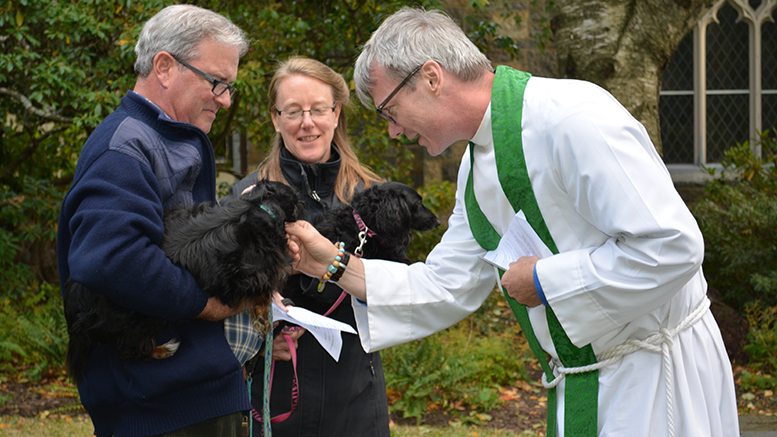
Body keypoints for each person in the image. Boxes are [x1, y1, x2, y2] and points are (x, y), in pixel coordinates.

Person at [284, 7, 739, 437]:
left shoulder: (572, 117)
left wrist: (544, 279)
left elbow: (672, 246)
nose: (393, 132)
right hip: (585, 380)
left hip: (654, 380)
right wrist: (334, 264)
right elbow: (449, 283)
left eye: (389, 111)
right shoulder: (476, 164)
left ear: (431, 77)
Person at [56, 5, 252, 437]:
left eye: (230, 87)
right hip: (159, 405)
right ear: (164, 66)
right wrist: (207, 305)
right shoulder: (125, 146)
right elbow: (114, 258)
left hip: (194, 395)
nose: (226, 99)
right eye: (217, 83)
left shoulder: (166, 138)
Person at [223, 57, 391, 437]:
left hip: (355, 396)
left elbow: (400, 292)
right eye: (294, 111)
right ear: (275, 118)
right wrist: (261, 330)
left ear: (336, 114)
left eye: (318, 109)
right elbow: (219, 296)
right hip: (275, 393)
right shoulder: (246, 198)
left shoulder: (371, 197)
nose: (307, 123)